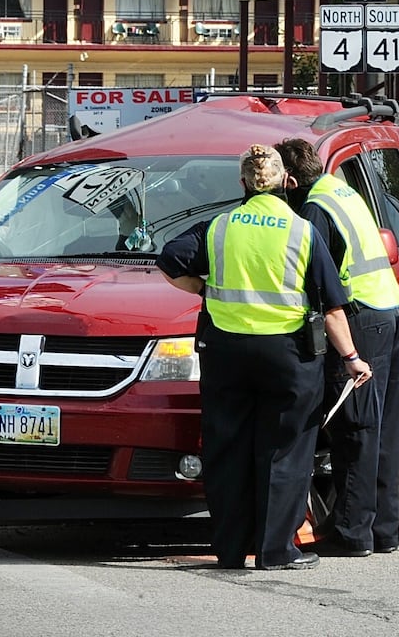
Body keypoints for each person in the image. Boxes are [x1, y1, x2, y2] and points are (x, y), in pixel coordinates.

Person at [158, 143, 371, 571]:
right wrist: (351, 357)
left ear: (242, 183)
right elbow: (331, 307)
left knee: (227, 450)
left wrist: (202, 289)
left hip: (226, 353)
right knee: (284, 452)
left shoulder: (218, 227)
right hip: (287, 356)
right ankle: (276, 551)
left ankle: (231, 551)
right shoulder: (302, 230)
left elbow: (169, 260)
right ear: (286, 183)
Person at [275, 137, 399, 557]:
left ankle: (351, 533)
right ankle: (381, 530)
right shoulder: (338, 188)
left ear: (291, 180)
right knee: (381, 429)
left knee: (354, 429)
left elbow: (317, 280)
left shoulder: (315, 208)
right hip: (388, 311)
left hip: (360, 319)